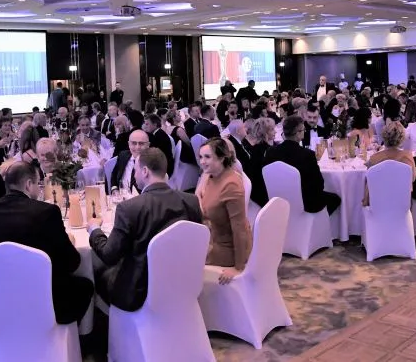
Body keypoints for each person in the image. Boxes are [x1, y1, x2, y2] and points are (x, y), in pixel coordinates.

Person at [0, 162, 94, 325]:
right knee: (86, 285)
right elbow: (72, 263)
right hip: (48, 302)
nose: (40, 188)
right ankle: (79, 336)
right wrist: (69, 241)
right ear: (28, 184)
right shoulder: (46, 212)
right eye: (38, 183)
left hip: (3, 299)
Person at [88, 149, 202, 310]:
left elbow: (109, 255)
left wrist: (94, 230)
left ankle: (113, 320)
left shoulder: (129, 208)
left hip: (139, 293)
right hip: (182, 283)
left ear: (145, 171)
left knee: (97, 270)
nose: (134, 176)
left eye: (135, 170)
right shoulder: (191, 201)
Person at [196, 138, 252, 284]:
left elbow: (240, 229)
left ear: (221, 158)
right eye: (200, 157)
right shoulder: (211, 176)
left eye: (207, 157)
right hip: (213, 240)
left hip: (227, 249)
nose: (202, 162)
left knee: (185, 261)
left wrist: (238, 267)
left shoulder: (231, 185)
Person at [263, 115, 341, 215]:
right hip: (305, 205)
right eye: (303, 130)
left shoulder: (270, 152)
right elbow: (319, 184)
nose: (304, 132)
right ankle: (321, 223)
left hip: (277, 202)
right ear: (298, 133)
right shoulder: (307, 155)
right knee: (336, 199)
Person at [363, 122, 416, 207]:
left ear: (384, 136)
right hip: (402, 205)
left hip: (378, 205)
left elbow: (368, 181)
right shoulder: (408, 158)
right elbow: (412, 179)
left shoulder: (374, 158)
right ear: (402, 138)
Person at [108, 129, 150, 194]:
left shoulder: (152, 162)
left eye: (141, 143)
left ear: (148, 145)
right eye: (134, 143)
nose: (137, 147)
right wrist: (114, 189)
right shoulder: (123, 156)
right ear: (129, 144)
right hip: (123, 197)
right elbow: (114, 175)